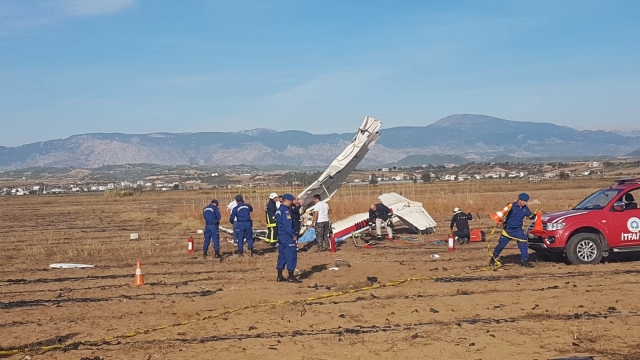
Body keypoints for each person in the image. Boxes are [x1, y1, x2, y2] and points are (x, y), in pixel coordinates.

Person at [490, 193, 537, 268]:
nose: (525, 203)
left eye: (526, 201)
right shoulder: (511, 206)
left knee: (523, 244)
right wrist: (499, 221)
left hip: (518, 230)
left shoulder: (526, 208)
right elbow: (501, 214)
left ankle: (524, 261)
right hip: (508, 230)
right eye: (524, 201)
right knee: (500, 246)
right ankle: (493, 258)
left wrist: (536, 215)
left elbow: (530, 217)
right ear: (519, 200)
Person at [275, 194, 301, 283]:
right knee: (291, 255)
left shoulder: (279, 210)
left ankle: (279, 275)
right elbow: (288, 226)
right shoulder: (286, 211)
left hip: (281, 236)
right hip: (287, 236)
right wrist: (293, 235)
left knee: (282, 255)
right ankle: (291, 275)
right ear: (288, 201)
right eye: (291, 202)